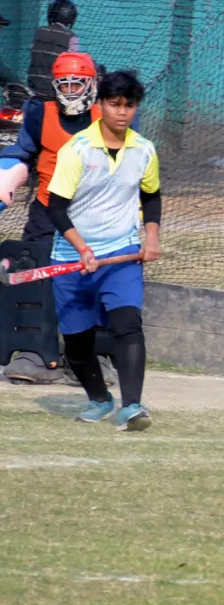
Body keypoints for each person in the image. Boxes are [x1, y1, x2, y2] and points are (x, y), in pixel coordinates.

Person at [46, 70, 161, 431]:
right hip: (72, 259)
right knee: (77, 344)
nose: (122, 112)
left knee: (128, 324)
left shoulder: (144, 150)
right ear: (100, 105)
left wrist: (152, 237)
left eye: (129, 105)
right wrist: (82, 248)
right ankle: (99, 399)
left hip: (121, 253)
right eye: (115, 104)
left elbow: (151, 196)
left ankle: (132, 406)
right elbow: (55, 207)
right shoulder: (77, 149)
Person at [0, 51, 116, 387]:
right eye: (63, 84)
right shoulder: (39, 112)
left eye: (77, 84)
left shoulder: (111, 113)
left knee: (95, 277)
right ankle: (34, 353)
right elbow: (21, 151)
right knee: (34, 274)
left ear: (92, 84)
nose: (70, 91)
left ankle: (92, 356)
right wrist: (6, 177)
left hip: (97, 209)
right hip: (48, 207)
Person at [28, 0, 81, 101]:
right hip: (55, 90)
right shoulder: (71, 37)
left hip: (33, 86)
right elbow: (72, 65)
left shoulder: (40, 31)